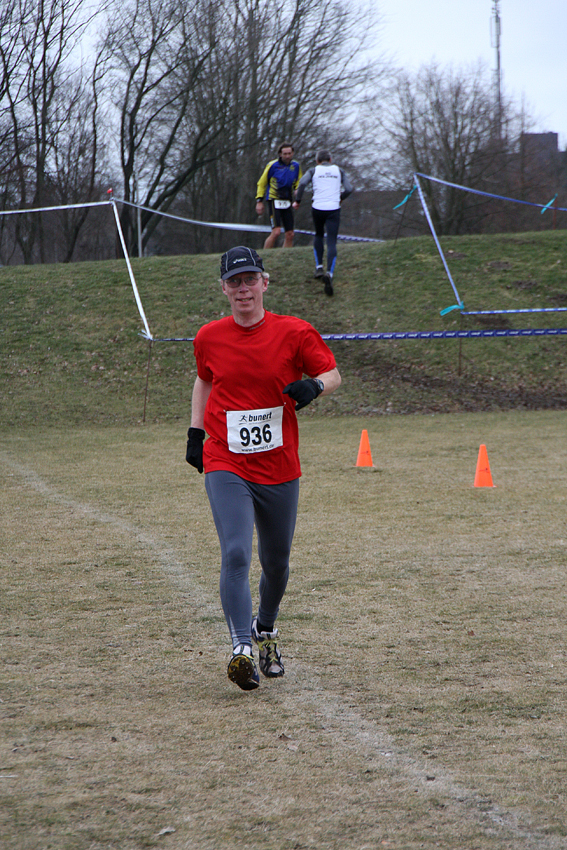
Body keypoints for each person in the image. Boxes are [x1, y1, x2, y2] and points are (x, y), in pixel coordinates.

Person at [186, 246, 341, 691]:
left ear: (265, 283)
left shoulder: (294, 332)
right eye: (234, 282)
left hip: (279, 465)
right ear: (224, 288)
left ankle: (266, 629)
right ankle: (240, 648)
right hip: (226, 460)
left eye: (250, 279)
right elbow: (205, 379)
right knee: (235, 552)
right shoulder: (209, 336)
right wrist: (196, 434)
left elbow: (332, 373)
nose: (243, 289)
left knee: (276, 562)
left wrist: (314, 385)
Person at [293, 150, 353, 296]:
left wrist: (298, 201)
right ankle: (329, 273)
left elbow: (301, 184)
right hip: (333, 208)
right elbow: (350, 188)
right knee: (332, 240)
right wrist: (341, 197)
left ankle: (319, 267)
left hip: (318, 208)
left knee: (319, 235)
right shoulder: (339, 170)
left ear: (317, 160)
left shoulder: (313, 170)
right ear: (330, 159)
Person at [255, 143, 302, 249]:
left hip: (287, 200)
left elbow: (298, 182)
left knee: (290, 234)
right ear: (280, 154)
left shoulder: (295, 166)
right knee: (276, 232)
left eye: (289, 153)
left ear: (293, 153)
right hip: (274, 199)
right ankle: (264, 256)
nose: (287, 156)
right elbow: (261, 183)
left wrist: (297, 190)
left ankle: (285, 257)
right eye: (285, 154)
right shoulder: (273, 165)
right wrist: (259, 201)